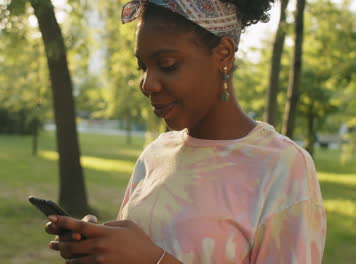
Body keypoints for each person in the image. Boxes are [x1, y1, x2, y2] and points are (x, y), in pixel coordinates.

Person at [43, 0, 327, 263]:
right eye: (143, 66)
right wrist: (101, 247)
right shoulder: (155, 154)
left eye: (167, 65)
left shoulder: (282, 167)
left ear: (223, 55)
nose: (147, 84)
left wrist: (155, 260)